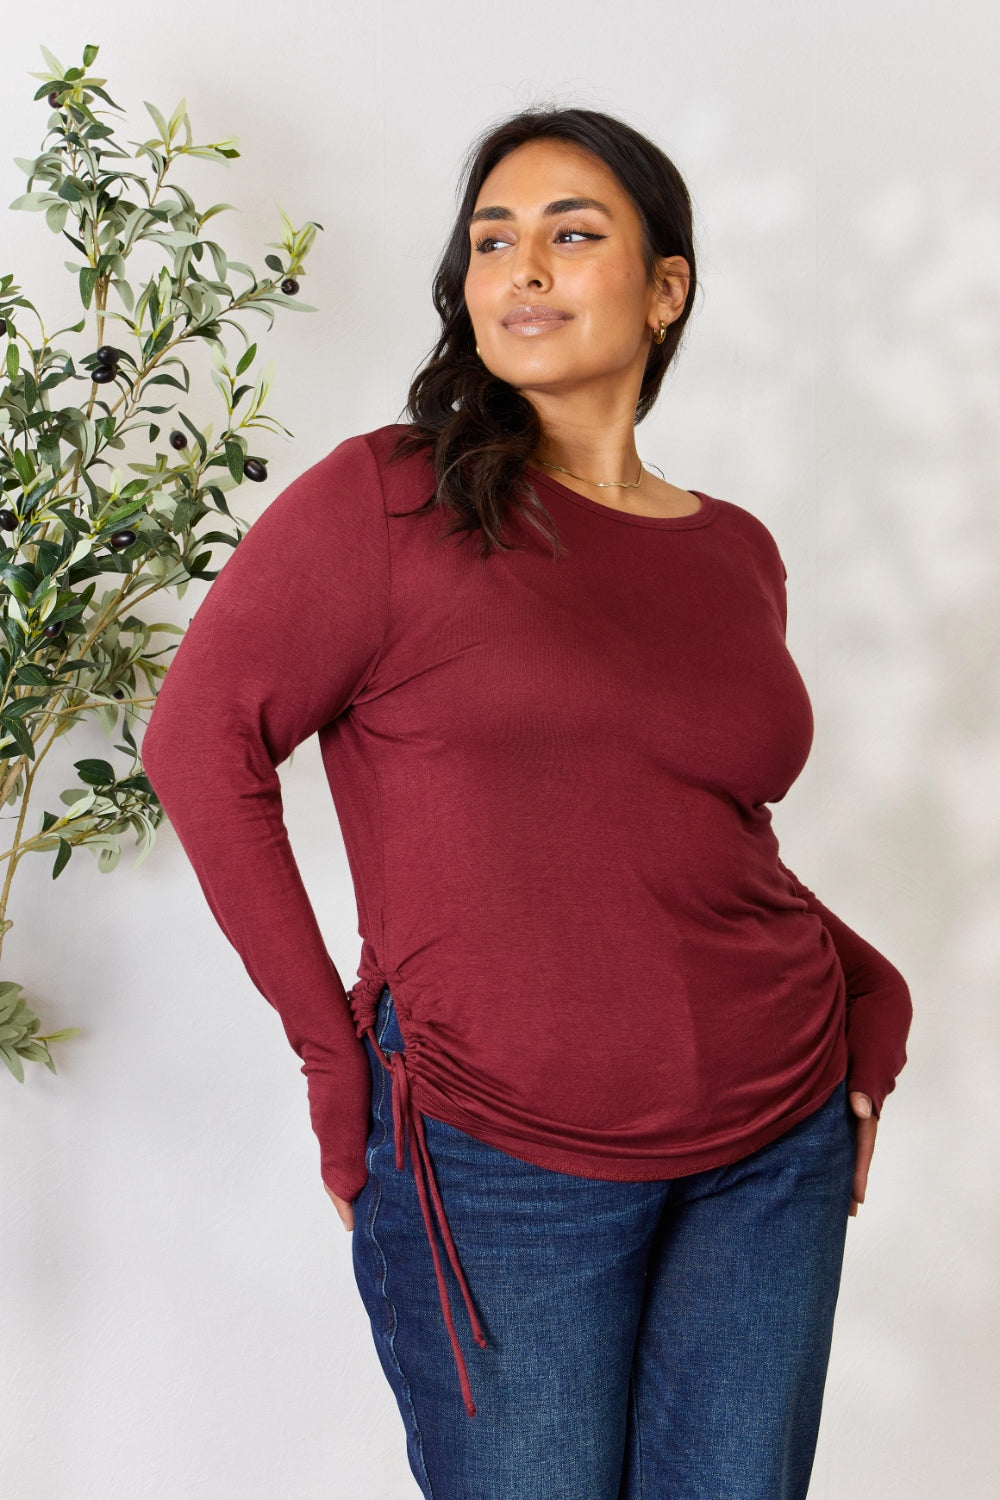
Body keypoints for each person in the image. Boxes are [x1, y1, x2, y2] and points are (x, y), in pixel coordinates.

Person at [140, 105, 913, 1500]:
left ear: (665, 288)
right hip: (497, 1159)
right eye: (493, 240)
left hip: (773, 1143)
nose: (524, 268)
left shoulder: (735, 551)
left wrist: (872, 985)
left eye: (573, 233)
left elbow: (691, 824)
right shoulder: (387, 502)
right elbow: (198, 747)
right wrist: (336, 1060)